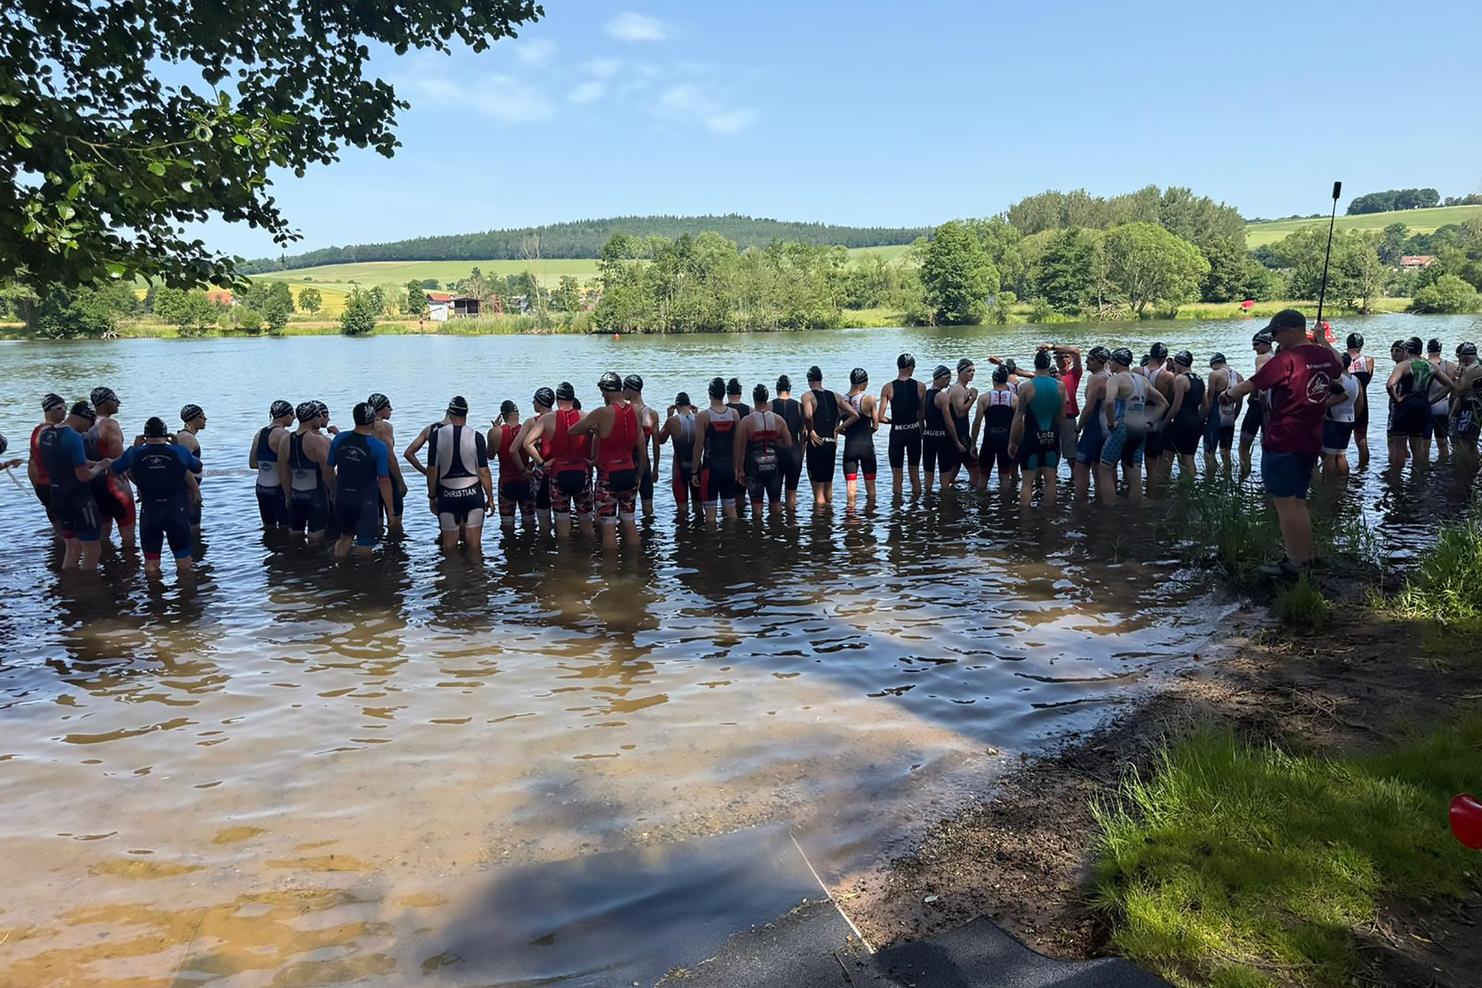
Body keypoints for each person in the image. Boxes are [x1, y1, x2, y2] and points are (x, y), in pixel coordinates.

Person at [1221, 309, 1344, 580]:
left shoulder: (1286, 359)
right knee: (1299, 501)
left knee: (1285, 504)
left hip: (1284, 438)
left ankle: (1294, 563)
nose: (1274, 340)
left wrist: (1227, 394)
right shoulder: (1322, 355)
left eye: (1276, 334)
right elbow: (1339, 366)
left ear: (1288, 330)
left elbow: (1252, 385)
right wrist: (1322, 340)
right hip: (1311, 438)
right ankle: (1306, 557)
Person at [110, 416, 202, 574]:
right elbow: (197, 467)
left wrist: (134, 447)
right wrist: (177, 446)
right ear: (166, 436)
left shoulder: (134, 453)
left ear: (145, 436)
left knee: (151, 565)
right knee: (185, 563)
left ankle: (154, 594)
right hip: (176, 512)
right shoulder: (178, 451)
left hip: (150, 513)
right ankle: (186, 595)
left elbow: (115, 468)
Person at [570, 372, 647, 550]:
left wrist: (596, 430)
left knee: (609, 527)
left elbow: (573, 430)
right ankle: (635, 565)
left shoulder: (602, 413)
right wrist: (639, 475)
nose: (602, 396)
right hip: (630, 472)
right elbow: (642, 452)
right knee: (629, 523)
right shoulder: (636, 413)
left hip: (608, 476)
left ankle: (610, 573)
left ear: (606, 391)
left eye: (602, 392)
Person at [39, 401, 113, 571]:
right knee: (93, 550)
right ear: (84, 418)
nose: (88, 430)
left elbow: (69, 461)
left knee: (72, 549)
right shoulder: (73, 437)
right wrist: (101, 467)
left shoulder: (46, 434)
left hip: (57, 495)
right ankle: (88, 591)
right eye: (89, 424)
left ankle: (70, 589)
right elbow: (84, 476)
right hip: (78, 498)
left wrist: (98, 462)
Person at [523, 382, 594, 541]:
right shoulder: (585, 417)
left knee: (562, 529)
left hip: (558, 475)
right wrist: (593, 459)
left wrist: (541, 463)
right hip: (582, 473)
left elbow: (527, 443)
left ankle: (563, 561)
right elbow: (600, 437)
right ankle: (589, 560)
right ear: (573, 397)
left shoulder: (547, 419)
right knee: (587, 526)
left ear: (557, 400)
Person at [426, 395, 493, 556]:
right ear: (466, 414)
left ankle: (452, 579)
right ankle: (476, 578)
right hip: (472, 495)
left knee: (449, 549)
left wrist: (432, 496)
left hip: (447, 495)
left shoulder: (437, 435)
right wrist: (490, 497)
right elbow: (483, 472)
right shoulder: (476, 436)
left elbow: (432, 470)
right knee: (475, 548)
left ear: (449, 413)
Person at [1099, 349, 1166, 505]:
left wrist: (1110, 423)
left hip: (1122, 428)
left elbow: (1109, 401)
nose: (1109, 364)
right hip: (1140, 430)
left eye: (1111, 361)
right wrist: (1150, 422)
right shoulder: (1142, 380)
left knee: (1105, 469)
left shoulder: (1115, 380)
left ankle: (1109, 513)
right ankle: (1136, 513)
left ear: (1116, 362)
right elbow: (1163, 403)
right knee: (1135, 471)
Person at [328, 402, 394, 558]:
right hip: (365, 502)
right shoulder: (378, 447)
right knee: (365, 546)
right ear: (372, 421)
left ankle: (339, 574)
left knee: (345, 538)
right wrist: (390, 510)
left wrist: (333, 490)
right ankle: (363, 579)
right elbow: (384, 480)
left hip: (342, 497)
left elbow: (328, 469)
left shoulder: (339, 439)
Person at [1009, 348, 1066, 507]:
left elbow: (1018, 417)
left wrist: (1013, 442)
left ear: (1035, 364)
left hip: (1032, 436)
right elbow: (1061, 416)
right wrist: (1060, 439)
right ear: (1049, 365)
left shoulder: (1026, 387)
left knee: (1027, 482)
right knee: (1050, 480)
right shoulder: (1060, 387)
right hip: (1052, 436)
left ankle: (1025, 520)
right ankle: (1048, 519)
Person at [87, 387, 137, 550]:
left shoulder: (86, 424)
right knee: (128, 540)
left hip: (93, 486)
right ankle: (130, 572)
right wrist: (140, 485)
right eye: (115, 399)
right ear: (104, 402)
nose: (119, 402)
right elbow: (120, 462)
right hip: (115, 486)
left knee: (102, 539)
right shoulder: (109, 425)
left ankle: (107, 571)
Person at [735, 382, 794, 516]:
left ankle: (757, 533)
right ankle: (777, 531)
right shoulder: (778, 420)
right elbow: (788, 443)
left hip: (754, 467)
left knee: (757, 508)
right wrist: (774, 443)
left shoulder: (746, 421)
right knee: (776, 504)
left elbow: (740, 448)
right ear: (767, 399)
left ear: (754, 398)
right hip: (773, 465)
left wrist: (739, 470)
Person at [800, 366, 854, 508]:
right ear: (821, 378)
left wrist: (811, 430)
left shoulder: (808, 396)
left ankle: (819, 526)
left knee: (818, 494)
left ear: (809, 380)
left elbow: (808, 415)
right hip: (831, 444)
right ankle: (829, 523)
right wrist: (838, 429)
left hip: (816, 443)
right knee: (828, 489)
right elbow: (854, 414)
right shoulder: (835, 396)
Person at [1388, 337, 1447, 467]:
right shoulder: (1431, 366)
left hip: (1405, 405)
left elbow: (1390, 385)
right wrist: (1432, 400)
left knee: (1399, 445)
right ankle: (1418, 478)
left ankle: (1395, 480)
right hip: (1422, 405)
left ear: (1407, 350)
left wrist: (1397, 399)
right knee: (1417, 446)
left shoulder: (1404, 365)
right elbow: (1450, 385)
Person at [277, 401, 331, 542]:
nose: (320, 419)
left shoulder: (285, 440)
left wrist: (288, 496)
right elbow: (328, 473)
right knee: (317, 540)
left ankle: (295, 562)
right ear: (313, 418)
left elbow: (283, 473)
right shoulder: (317, 441)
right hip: (316, 497)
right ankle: (314, 564)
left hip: (295, 496)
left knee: (295, 538)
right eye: (319, 416)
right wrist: (335, 494)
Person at [693, 377, 741, 526]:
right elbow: (737, 444)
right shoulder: (734, 414)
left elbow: (698, 446)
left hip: (710, 469)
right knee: (731, 512)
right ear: (724, 394)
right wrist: (737, 468)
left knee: (710, 517)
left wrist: (694, 471)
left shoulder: (703, 416)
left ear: (709, 393)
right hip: (728, 468)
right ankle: (734, 544)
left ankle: (711, 546)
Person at [877, 353, 926, 497]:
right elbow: (922, 414)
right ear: (911, 368)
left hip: (897, 433)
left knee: (897, 475)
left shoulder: (888, 388)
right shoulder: (920, 386)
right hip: (914, 431)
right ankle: (916, 508)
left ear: (898, 367)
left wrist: (894, 421)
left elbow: (880, 417)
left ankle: (897, 511)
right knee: (915, 473)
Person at [1072, 346, 1112, 500]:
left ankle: (1079, 509)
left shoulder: (1096, 379)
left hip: (1094, 430)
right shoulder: (1111, 376)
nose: (1086, 362)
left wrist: (1077, 429)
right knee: (1100, 472)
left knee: (1080, 471)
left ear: (1099, 361)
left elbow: (1088, 408)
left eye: (1090, 359)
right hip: (1108, 430)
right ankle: (1102, 508)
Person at [490, 399, 535, 531]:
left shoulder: (495, 433)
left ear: (502, 416)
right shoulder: (527, 431)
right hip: (526, 481)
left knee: (507, 524)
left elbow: (489, 455)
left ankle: (509, 548)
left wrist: (494, 429)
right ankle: (530, 546)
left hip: (506, 483)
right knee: (530, 522)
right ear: (517, 413)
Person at [249, 400, 294, 530]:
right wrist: (289, 495)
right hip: (279, 489)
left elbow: (252, 464)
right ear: (285, 416)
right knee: (287, 529)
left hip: (261, 488)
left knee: (269, 528)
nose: (294, 418)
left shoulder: (259, 433)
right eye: (292, 414)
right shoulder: (285, 435)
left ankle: (271, 548)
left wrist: (267, 466)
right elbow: (287, 469)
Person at [971, 365, 1017, 488]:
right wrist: (1016, 443)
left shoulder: (984, 398)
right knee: (1005, 476)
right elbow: (1019, 423)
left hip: (989, 440)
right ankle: (1006, 506)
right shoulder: (1014, 399)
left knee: (983, 477)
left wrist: (973, 445)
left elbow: (976, 423)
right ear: (1006, 379)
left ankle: (982, 505)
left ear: (993, 379)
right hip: (1006, 440)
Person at [28, 393, 68, 536]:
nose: (64, 411)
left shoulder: (36, 431)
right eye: (59, 408)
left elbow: (31, 463)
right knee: (70, 533)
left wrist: (37, 487)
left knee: (59, 532)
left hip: (43, 486)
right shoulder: (53, 433)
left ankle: (58, 556)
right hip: (55, 487)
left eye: (65, 407)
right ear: (48, 410)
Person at [366, 393, 406, 533]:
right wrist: (400, 482)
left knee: (376, 524)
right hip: (387, 478)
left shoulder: (363, 427)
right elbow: (390, 456)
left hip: (369, 478)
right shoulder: (384, 427)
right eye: (388, 406)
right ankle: (394, 551)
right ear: (380, 409)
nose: (391, 409)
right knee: (395, 522)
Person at [518, 387, 556, 534]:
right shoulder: (560, 418)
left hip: (541, 471)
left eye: (534, 400)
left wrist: (524, 469)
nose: (533, 403)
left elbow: (514, 449)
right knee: (563, 514)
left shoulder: (531, 422)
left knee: (543, 516)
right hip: (559, 469)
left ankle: (544, 546)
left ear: (540, 404)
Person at [624, 374, 662, 518]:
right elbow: (656, 444)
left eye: (624, 388)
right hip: (645, 464)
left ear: (631, 390)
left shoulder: (624, 412)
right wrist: (656, 468)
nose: (622, 391)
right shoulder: (652, 414)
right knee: (648, 508)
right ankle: (648, 536)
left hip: (627, 464)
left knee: (626, 509)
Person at [1239, 330, 1275, 474]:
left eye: (1256, 344)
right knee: (1267, 446)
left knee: (1243, 446)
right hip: (1272, 407)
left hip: (1258, 405)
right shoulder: (1277, 357)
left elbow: (1259, 379)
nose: (1254, 348)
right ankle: (1268, 481)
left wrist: (1250, 396)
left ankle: (1242, 480)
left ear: (1266, 344)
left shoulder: (1262, 358)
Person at [1164, 351, 1205, 479]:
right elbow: (1206, 405)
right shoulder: (1199, 379)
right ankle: (1189, 490)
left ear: (1179, 364)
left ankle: (1163, 489)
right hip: (1195, 422)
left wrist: (1164, 422)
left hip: (1181, 422)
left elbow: (1176, 407)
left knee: (1167, 456)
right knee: (1188, 458)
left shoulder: (1180, 379)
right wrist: (1200, 421)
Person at [841, 368, 878, 509]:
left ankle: (851, 516)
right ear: (862, 384)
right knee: (871, 488)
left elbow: (839, 427)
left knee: (851, 489)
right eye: (866, 383)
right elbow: (875, 426)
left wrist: (848, 434)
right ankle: (870, 515)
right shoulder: (869, 400)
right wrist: (866, 434)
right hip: (866, 446)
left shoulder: (841, 400)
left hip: (849, 447)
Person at [1320, 354, 1360, 480]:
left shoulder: (1337, 379)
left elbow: (1339, 396)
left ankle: (1329, 482)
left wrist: (1324, 407)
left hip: (1335, 419)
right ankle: (1343, 481)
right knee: (1341, 454)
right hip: (1349, 418)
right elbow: (1360, 402)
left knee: (1329, 455)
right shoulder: (1355, 379)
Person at [660, 392, 699, 519]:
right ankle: (701, 535)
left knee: (682, 510)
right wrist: (697, 414)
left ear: (676, 406)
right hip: (697, 467)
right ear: (690, 406)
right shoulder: (700, 419)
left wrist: (668, 417)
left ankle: (683, 535)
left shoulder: (672, 421)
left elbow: (660, 439)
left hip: (679, 469)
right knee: (699, 508)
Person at [1141, 344, 1174, 492]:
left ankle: (1144, 492)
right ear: (1164, 358)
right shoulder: (1167, 376)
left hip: (1140, 419)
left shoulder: (1137, 372)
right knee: (1156, 460)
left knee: (1139, 461)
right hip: (1159, 419)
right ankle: (1156, 494)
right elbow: (1170, 400)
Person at [1201, 354, 1241, 472]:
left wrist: (1202, 418)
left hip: (1215, 419)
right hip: (1230, 419)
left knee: (1209, 453)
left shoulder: (1215, 375)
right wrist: (1234, 418)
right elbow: (1239, 404)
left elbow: (1209, 400)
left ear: (1214, 364)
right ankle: (1228, 481)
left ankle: (1211, 483)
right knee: (1226, 453)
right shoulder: (1239, 377)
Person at [771, 376, 805, 510]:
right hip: (794, 452)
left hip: (776, 452)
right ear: (790, 389)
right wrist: (802, 453)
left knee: (775, 497)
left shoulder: (770, 406)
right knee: (792, 495)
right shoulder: (799, 406)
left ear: (777, 389)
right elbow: (804, 434)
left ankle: (775, 524)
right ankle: (792, 524)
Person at [944, 359, 979, 487]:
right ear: (960, 372)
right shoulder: (958, 389)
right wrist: (973, 398)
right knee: (976, 471)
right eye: (968, 371)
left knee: (954, 468)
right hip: (961, 435)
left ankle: (946, 496)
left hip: (953, 435)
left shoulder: (957, 388)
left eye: (973, 371)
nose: (972, 373)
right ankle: (976, 498)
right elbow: (960, 413)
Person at [922, 364, 953, 492]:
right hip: (942, 439)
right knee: (945, 481)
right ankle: (944, 506)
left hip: (928, 438)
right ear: (938, 378)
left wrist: (922, 432)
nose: (948, 382)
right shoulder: (942, 396)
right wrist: (956, 441)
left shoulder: (925, 394)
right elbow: (948, 422)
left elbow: (920, 416)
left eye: (949, 379)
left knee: (928, 479)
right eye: (946, 379)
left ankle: (927, 506)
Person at [1450, 342, 1482, 465]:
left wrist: (1457, 375)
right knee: (1472, 442)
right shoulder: (1479, 364)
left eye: (1459, 357)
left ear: (1464, 356)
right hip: (1477, 409)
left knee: (1463, 441)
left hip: (1470, 409)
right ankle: (1474, 470)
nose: (1458, 360)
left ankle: (1466, 470)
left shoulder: (1471, 369)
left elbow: (1459, 389)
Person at [1426, 339, 1458, 459]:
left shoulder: (1424, 365)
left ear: (1428, 349)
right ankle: (1444, 467)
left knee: (1425, 444)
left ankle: (1423, 471)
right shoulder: (1450, 366)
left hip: (1426, 406)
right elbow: (1456, 387)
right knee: (1443, 443)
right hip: (1443, 406)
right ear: (1440, 349)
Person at [1345, 333, 1374, 467]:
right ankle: (1363, 470)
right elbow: (1368, 379)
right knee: (1361, 439)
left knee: (1340, 442)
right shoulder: (1368, 360)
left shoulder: (1341, 359)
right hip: (1363, 402)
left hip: (1344, 402)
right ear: (1361, 345)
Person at [1052, 344, 1083, 463]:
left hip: (1068, 418)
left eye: (1062, 357)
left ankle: (1074, 480)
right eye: (1057, 358)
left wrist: (1052, 347)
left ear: (1069, 359)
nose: (1059, 360)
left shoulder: (1074, 373)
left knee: (1072, 456)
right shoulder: (1052, 376)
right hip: (1053, 418)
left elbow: (1076, 351)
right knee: (1052, 454)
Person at [177, 403, 207, 531]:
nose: (205, 419)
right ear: (192, 419)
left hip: (187, 490)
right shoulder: (187, 438)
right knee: (193, 530)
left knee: (193, 530)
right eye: (202, 416)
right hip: (187, 491)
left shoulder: (185, 436)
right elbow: (183, 467)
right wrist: (195, 490)